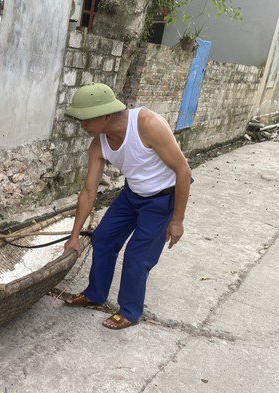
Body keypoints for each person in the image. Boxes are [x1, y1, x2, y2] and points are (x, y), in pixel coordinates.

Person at [62, 83, 192, 330]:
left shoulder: (147, 124)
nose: (83, 126)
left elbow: (183, 170)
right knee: (103, 238)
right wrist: (74, 236)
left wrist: (177, 220)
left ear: (106, 115)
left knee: (137, 255)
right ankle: (95, 295)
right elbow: (89, 191)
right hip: (132, 194)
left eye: (86, 120)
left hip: (163, 197)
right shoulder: (99, 143)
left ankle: (130, 311)